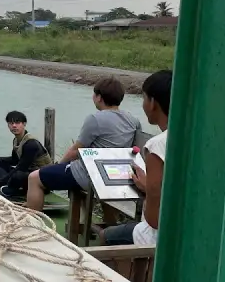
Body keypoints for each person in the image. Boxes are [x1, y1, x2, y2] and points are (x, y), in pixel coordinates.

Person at [26, 77, 142, 211]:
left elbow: (75, 151)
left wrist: (58, 164)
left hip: (92, 175)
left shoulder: (95, 119)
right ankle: (108, 225)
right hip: (117, 176)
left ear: (99, 97)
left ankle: (33, 222)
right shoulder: (133, 120)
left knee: (34, 178)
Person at [97, 70, 171, 246]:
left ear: (152, 102)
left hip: (160, 234)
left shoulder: (157, 146)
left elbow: (154, 220)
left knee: (106, 236)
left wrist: (147, 188)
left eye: (144, 98)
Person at [0, 110, 52, 200]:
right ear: (8, 125)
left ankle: (9, 188)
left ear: (24, 124)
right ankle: (8, 186)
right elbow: (15, 160)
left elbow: (21, 168)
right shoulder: (17, 140)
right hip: (27, 174)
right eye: (11, 123)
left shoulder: (31, 143)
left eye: (17, 123)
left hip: (41, 180)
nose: (14, 126)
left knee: (18, 175)